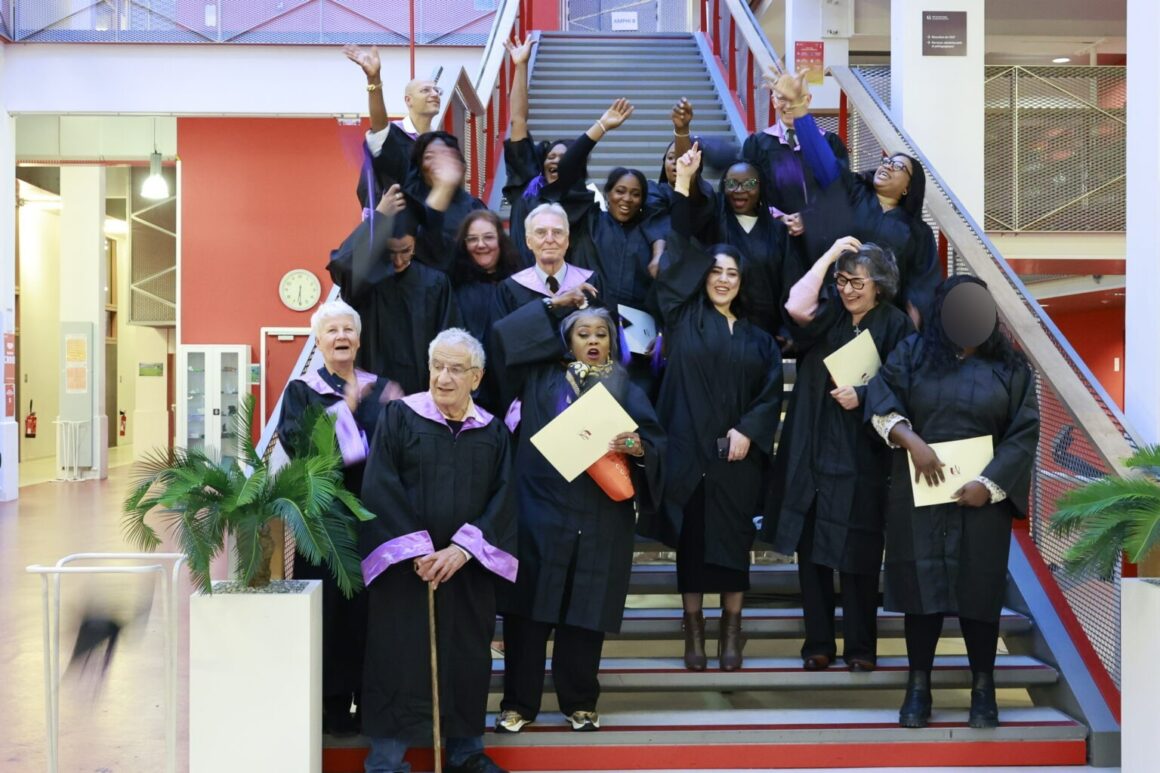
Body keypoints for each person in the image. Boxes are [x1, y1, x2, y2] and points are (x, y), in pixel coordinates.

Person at [866, 275, 1039, 729]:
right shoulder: (914, 355)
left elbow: (1023, 434)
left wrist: (990, 482)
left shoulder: (1013, 369)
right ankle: (918, 687)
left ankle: (984, 689)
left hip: (983, 501)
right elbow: (881, 399)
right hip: (919, 496)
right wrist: (911, 441)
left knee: (979, 595)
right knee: (920, 594)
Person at [489, 295, 665, 734]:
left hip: (601, 514)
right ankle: (518, 704)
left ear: (612, 342)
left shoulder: (628, 385)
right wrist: (551, 307)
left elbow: (658, 444)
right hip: (539, 508)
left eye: (601, 334)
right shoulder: (539, 378)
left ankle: (581, 702)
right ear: (566, 341)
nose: (592, 341)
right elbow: (502, 338)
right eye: (582, 333)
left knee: (586, 614)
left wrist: (639, 447)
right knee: (529, 612)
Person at [359, 328, 517, 773]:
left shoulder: (493, 432)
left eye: (456, 369)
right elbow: (380, 487)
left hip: (465, 571)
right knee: (397, 658)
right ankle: (387, 759)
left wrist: (462, 551)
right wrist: (419, 551)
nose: (443, 378)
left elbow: (503, 500)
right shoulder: (399, 417)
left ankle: (465, 751)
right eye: (437, 366)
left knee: (466, 656)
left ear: (477, 377)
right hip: (407, 570)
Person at [654, 145, 784, 672]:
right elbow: (682, 245)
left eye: (732, 272)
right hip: (688, 451)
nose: (724, 278)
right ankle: (695, 635)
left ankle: (733, 631)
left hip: (737, 456)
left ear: (741, 281)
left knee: (733, 546)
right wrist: (684, 183)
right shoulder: (683, 318)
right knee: (692, 546)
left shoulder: (759, 339)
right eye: (716, 271)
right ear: (702, 279)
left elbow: (771, 392)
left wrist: (751, 431)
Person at [766, 237, 913, 673]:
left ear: (880, 286)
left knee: (860, 554)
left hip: (862, 454)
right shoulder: (827, 316)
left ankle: (861, 647)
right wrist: (829, 255)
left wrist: (866, 395)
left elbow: (909, 384)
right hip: (812, 444)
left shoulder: (896, 326)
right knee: (811, 554)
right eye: (843, 280)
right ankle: (818, 643)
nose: (848, 290)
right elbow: (795, 307)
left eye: (858, 282)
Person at [277, 299, 401, 736]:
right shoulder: (301, 391)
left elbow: (397, 453)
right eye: (332, 331)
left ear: (360, 338)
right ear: (318, 341)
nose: (342, 336)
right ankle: (331, 708)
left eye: (349, 329)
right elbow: (303, 453)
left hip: (375, 520)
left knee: (373, 616)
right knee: (329, 614)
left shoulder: (382, 388)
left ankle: (371, 706)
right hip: (325, 523)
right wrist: (344, 410)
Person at [774, 69, 940, 327]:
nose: (886, 166)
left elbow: (922, 284)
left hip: (885, 322)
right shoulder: (852, 191)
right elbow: (822, 160)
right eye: (885, 161)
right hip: (836, 310)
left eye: (897, 167)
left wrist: (916, 316)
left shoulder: (918, 233)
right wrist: (798, 109)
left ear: (908, 187)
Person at [502, 36, 634, 266]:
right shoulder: (527, 188)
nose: (556, 161)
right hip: (521, 285)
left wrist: (601, 126)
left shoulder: (578, 199)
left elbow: (569, 168)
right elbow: (518, 119)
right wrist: (521, 66)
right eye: (551, 156)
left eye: (564, 157)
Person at [327, 196, 460, 395]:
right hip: (372, 392)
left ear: (416, 243)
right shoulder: (366, 280)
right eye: (391, 252)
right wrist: (377, 219)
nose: (398, 261)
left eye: (406, 251)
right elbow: (341, 265)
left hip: (422, 393)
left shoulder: (434, 283)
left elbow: (449, 337)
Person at [742, 66, 850, 245]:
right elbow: (749, 190)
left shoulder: (830, 143)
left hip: (821, 236)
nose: (789, 104)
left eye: (797, 97)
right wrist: (778, 217)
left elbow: (840, 188)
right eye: (782, 98)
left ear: (808, 100)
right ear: (773, 101)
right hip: (773, 235)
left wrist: (809, 219)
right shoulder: (757, 144)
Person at [345, 44, 445, 206]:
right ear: (408, 100)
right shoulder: (394, 134)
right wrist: (374, 80)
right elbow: (380, 129)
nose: (434, 94)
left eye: (437, 90)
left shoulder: (441, 144)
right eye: (425, 90)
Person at [445, 210, 523, 413]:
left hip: (511, 390)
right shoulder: (454, 286)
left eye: (488, 237)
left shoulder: (519, 283)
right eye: (472, 239)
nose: (481, 245)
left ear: (500, 240)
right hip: (470, 394)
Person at [493, 203, 602, 319]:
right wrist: (553, 303)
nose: (550, 239)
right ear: (529, 242)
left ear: (567, 240)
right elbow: (504, 333)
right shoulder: (510, 288)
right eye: (541, 232)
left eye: (557, 232)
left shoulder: (591, 282)